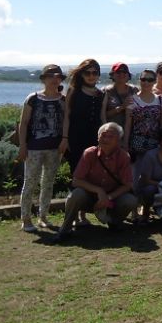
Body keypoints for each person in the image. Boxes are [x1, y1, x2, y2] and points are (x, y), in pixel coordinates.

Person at [54, 122, 137, 242]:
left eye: (111, 136)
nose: (106, 139)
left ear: (118, 140)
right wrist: (99, 191)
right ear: (98, 137)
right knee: (75, 195)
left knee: (130, 200)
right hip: (89, 198)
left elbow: (127, 185)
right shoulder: (89, 153)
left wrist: (108, 197)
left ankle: (114, 222)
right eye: (103, 135)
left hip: (112, 201)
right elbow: (76, 181)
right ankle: (65, 229)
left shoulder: (124, 157)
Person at [18, 64, 66, 232]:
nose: (54, 79)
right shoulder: (33, 98)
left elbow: (66, 122)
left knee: (48, 183)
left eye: (58, 76)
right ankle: (25, 218)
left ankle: (43, 216)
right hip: (34, 148)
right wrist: (22, 145)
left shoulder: (63, 99)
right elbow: (23, 123)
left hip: (54, 148)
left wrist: (65, 141)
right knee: (30, 182)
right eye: (51, 76)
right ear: (44, 79)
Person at [62, 58, 105, 226]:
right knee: (76, 175)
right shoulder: (74, 91)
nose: (91, 76)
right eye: (88, 72)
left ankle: (82, 215)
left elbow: (102, 118)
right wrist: (65, 139)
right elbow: (66, 117)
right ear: (82, 74)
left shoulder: (101, 94)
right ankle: (72, 216)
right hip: (75, 139)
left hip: (94, 140)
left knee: (90, 175)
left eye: (95, 73)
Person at [133, 124, 162, 223]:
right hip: (150, 187)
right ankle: (145, 212)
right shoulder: (150, 155)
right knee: (149, 190)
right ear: (160, 140)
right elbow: (145, 180)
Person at [124, 69, 162, 164]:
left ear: (154, 81)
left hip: (155, 145)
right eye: (143, 79)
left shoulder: (160, 100)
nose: (146, 82)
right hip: (136, 146)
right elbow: (128, 125)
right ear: (139, 80)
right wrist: (125, 145)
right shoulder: (132, 100)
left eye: (150, 80)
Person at [101, 62, 138, 127]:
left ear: (128, 75)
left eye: (124, 72)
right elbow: (102, 115)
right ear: (112, 75)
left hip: (132, 131)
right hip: (112, 131)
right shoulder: (106, 91)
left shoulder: (134, 90)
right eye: (118, 72)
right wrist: (121, 107)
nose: (121, 74)